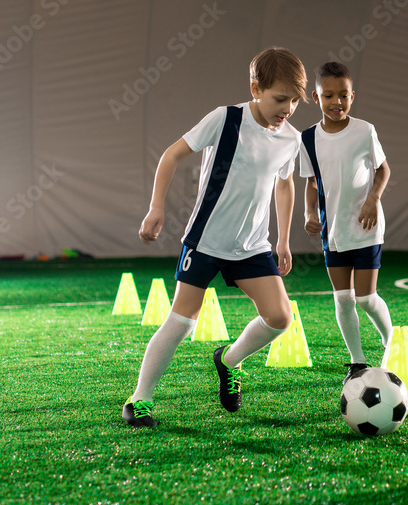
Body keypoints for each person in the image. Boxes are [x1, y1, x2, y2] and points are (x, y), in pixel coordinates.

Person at [122, 47, 306, 427]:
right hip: (206, 242)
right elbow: (171, 155)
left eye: (294, 101)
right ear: (255, 88)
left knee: (279, 317)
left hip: (252, 247)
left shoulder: (291, 139)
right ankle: (139, 400)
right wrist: (156, 207)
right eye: (279, 98)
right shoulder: (225, 119)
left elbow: (284, 185)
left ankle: (229, 361)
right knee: (182, 322)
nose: (287, 108)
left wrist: (284, 240)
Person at [300, 61, 393, 384]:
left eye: (343, 95)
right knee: (343, 298)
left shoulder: (365, 130)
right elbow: (312, 182)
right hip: (333, 232)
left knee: (366, 298)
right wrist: (308, 214)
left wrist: (373, 199)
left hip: (366, 227)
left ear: (353, 96)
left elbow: (383, 169)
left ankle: (389, 342)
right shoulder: (308, 138)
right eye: (329, 95)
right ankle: (357, 361)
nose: (336, 102)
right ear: (315, 97)